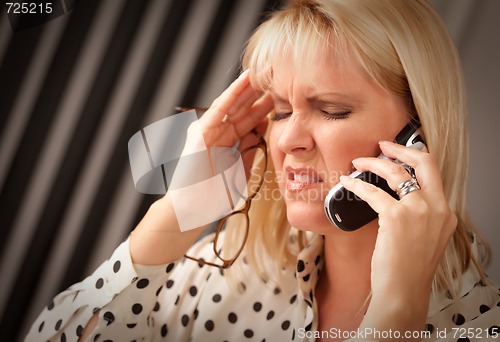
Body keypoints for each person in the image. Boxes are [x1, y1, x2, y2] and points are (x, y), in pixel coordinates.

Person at [27, 0, 500, 341]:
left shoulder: (483, 325)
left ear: (417, 135)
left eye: (332, 109)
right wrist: (177, 211)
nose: (287, 139)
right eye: (276, 111)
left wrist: (397, 312)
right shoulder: (229, 278)